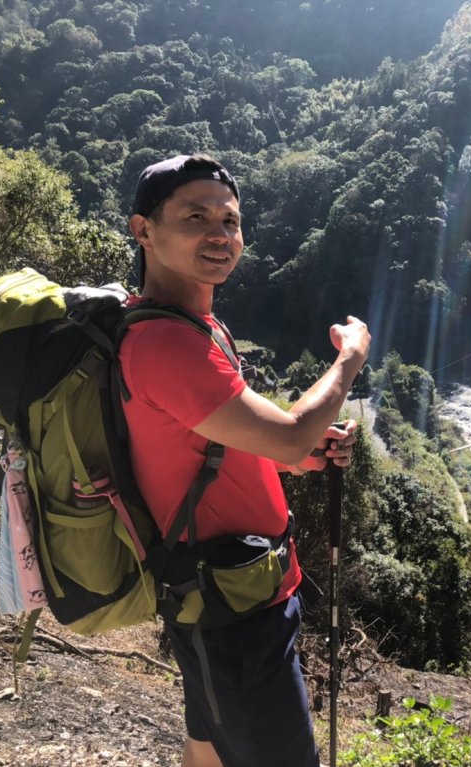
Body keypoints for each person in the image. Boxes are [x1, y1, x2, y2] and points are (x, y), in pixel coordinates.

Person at [120, 153, 371, 767]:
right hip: (233, 607)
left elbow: (217, 442)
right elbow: (285, 434)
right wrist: (348, 361)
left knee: (208, 745)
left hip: (217, 593)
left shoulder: (193, 326)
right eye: (196, 217)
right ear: (143, 229)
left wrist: (302, 458)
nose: (220, 235)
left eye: (230, 221)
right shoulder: (167, 343)